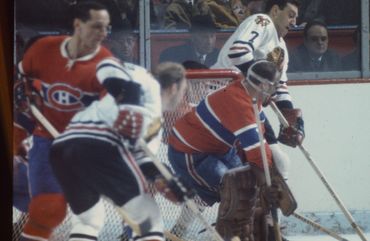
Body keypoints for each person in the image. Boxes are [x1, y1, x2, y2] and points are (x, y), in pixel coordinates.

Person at [49, 59, 189, 241]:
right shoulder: (144, 78)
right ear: (173, 88)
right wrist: (130, 102)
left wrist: (165, 178)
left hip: (65, 149)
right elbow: (106, 64)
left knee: (88, 221)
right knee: (148, 220)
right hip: (100, 145)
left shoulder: (155, 121)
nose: (182, 98)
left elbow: (141, 161)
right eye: (183, 91)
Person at [14, 2, 113, 240]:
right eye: (96, 26)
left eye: (106, 28)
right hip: (46, 140)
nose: (102, 33)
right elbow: (25, 86)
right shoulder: (42, 51)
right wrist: (21, 89)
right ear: (78, 26)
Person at [212, 0, 304, 240]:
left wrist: (291, 118)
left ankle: (271, 226)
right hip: (221, 96)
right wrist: (265, 84)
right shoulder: (261, 22)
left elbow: (280, 87)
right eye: (290, 15)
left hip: (247, 103)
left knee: (279, 162)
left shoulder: (281, 47)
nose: (294, 22)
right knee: (224, 172)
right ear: (275, 10)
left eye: (296, 17)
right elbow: (239, 51)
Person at [167, 60, 287, 240]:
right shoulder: (239, 103)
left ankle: (180, 231)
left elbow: (260, 143)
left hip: (218, 148)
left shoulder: (249, 93)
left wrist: (266, 183)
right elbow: (256, 152)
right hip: (189, 151)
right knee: (235, 192)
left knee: (246, 185)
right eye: (275, 85)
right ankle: (226, 236)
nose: (277, 90)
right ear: (263, 85)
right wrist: (266, 184)